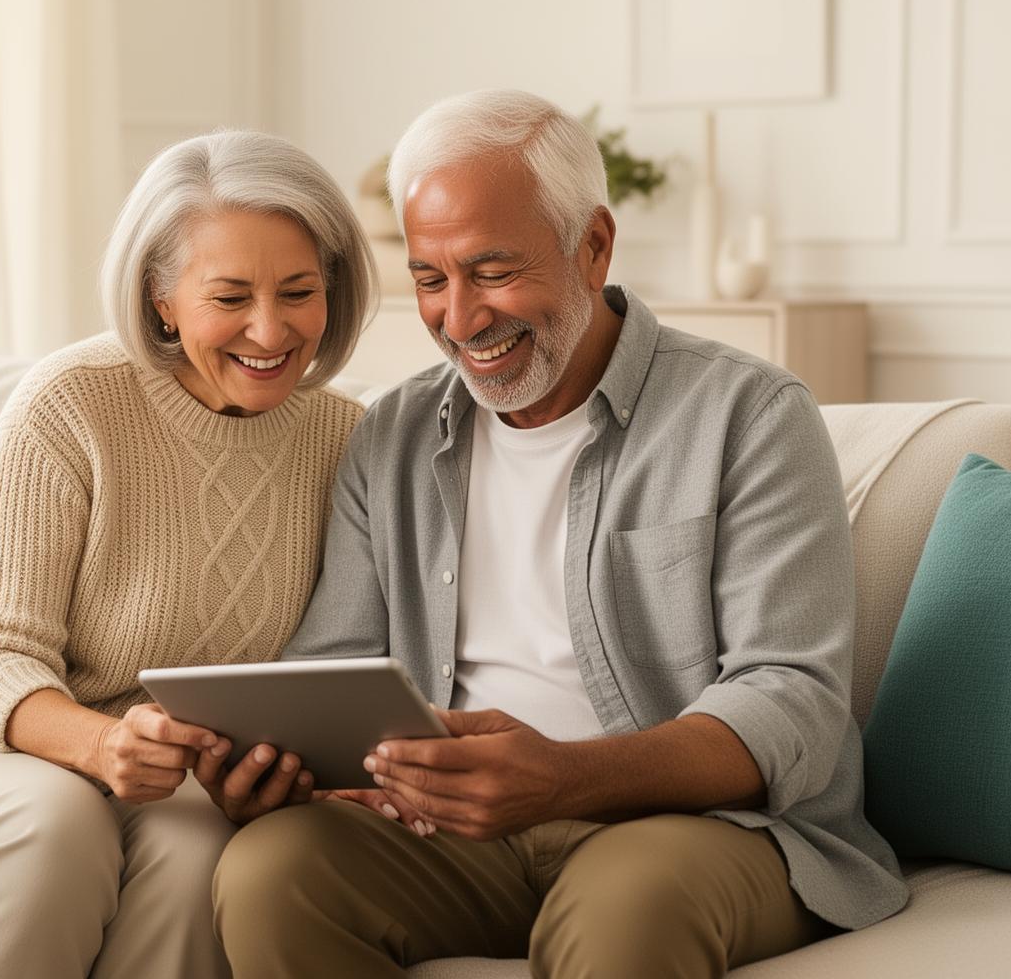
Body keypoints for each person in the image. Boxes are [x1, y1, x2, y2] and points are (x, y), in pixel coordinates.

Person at [213, 90, 909, 979]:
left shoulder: (751, 415)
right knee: (272, 872)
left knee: (629, 904)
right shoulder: (388, 436)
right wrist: (287, 768)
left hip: (694, 833)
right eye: (431, 279)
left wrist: (568, 776)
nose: (460, 321)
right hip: (453, 837)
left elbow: (790, 699)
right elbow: (332, 665)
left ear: (594, 246)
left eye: (493, 271)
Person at [0, 130, 377, 979]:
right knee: (54, 825)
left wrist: (273, 772)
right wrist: (101, 747)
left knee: (209, 861)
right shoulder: (72, 403)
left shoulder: (348, 438)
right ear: (162, 299)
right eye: (230, 296)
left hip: (173, 781)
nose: (271, 331)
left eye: (299, 291)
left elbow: (334, 670)